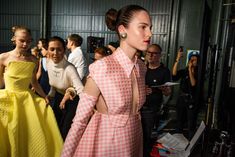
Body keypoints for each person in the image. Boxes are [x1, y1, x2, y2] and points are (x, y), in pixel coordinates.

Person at [62, 4, 152, 157]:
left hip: (134, 141)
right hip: (107, 145)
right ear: (122, 30)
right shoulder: (102, 67)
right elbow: (80, 121)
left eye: (150, 27)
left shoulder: (141, 67)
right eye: (143, 27)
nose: (149, 33)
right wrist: (66, 154)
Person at [0, 25, 63, 157]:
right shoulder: (3, 57)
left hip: (25, 100)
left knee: (25, 131)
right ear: (14, 39)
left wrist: (44, 96)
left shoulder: (34, 60)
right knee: (8, 131)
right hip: (8, 97)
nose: (25, 44)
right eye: (22, 40)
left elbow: (34, 82)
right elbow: (0, 81)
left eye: (28, 41)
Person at [46, 36, 84, 140]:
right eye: (52, 49)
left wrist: (89, 107)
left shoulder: (69, 68)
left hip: (72, 100)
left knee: (65, 131)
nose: (55, 53)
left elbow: (81, 89)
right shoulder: (48, 63)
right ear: (47, 50)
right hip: (58, 97)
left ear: (64, 50)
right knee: (55, 127)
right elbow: (53, 85)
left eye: (59, 49)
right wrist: (49, 96)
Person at [141, 44, 172, 157]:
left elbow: (168, 93)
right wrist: (142, 89)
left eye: (154, 53)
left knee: (147, 137)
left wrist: (165, 90)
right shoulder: (142, 68)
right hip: (137, 107)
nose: (150, 55)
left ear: (160, 55)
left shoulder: (164, 71)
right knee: (137, 136)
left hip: (151, 109)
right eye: (148, 52)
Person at [172, 48, 199, 139]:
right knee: (179, 121)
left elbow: (193, 84)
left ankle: (191, 143)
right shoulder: (184, 71)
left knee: (191, 123)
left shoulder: (199, 72)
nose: (192, 61)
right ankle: (178, 141)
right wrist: (177, 59)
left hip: (191, 100)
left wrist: (191, 70)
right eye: (191, 59)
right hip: (181, 99)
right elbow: (174, 75)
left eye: (194, 60)